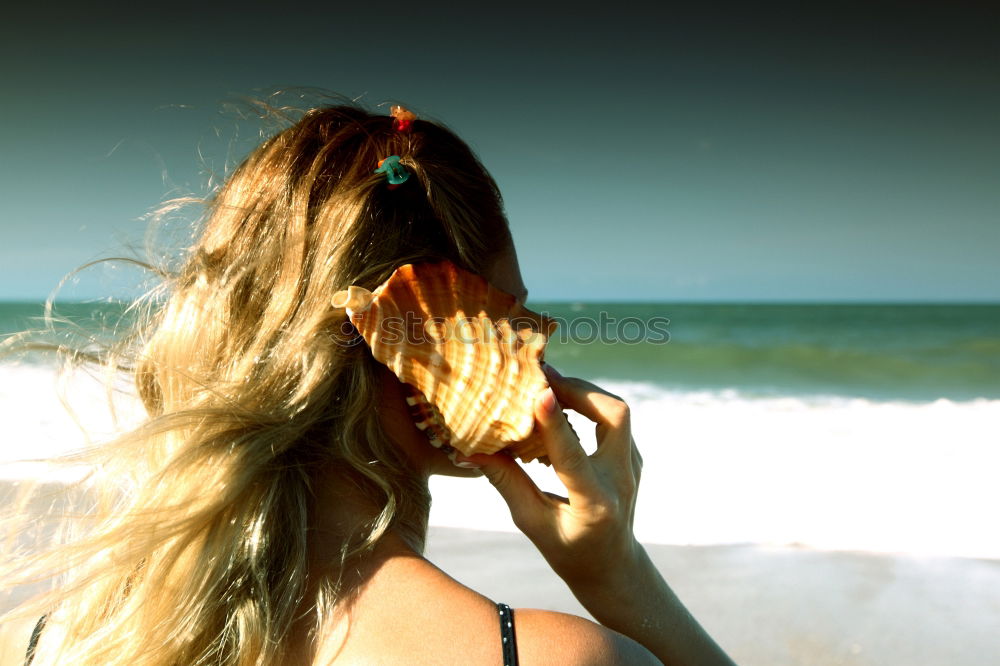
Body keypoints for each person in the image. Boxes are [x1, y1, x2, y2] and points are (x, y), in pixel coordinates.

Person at [5, 99, 735, 665]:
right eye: (513, 313)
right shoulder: (559, 658)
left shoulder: (68, 633)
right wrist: (620, 581)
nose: (539, 342)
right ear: (427, 321)